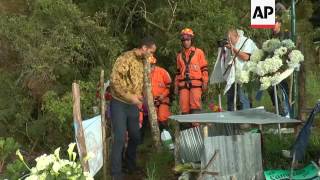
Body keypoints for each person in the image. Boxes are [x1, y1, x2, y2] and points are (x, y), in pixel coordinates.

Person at [109, 37, 156, 180]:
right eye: (151, 52)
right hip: (119, 103)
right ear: (144, 48)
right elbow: (114, 82)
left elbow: (141, 83)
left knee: (136, 136)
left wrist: (142, 98)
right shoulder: (125, 58)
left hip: (133, 105)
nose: (151, 55)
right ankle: (116, 174)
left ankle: (130, 165)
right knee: (119, 137)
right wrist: (131, 97)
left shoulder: (143, 62)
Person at [174, 28, 208, 130]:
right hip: (183, 84)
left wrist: (205, 81)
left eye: (188, 39)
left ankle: (197, 130)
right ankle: (186, 132)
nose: (186, 41)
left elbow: (204, 68)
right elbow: (178, 72)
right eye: (184, 40)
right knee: (184, 108)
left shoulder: (199, 52)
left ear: (191, 40)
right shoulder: (179, 56)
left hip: (196, 83)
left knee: (195, 106)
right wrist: (175, 86)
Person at [224, 28, 257, 111]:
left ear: (236, 36)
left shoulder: (246, 42)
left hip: (244, 75)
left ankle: (246, 121)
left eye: (230, 39)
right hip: (232, 75)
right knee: (230, 99)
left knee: (243, 99)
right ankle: (231, 121)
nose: (229, 41)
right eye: (228, 39)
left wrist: (233, 48)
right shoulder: (231, 44)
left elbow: (246, 57)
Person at [149, 55, 172, 131]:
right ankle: (157, 139)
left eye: (152, 65)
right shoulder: (144, 75)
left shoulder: (162, 72)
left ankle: (167, 135)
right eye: (149, 65)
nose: (150, 67)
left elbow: (169, 86)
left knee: (162, 117)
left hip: (163, 99)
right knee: (154, 120)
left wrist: (163, 95)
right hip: (151, 101)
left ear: (154, 64)